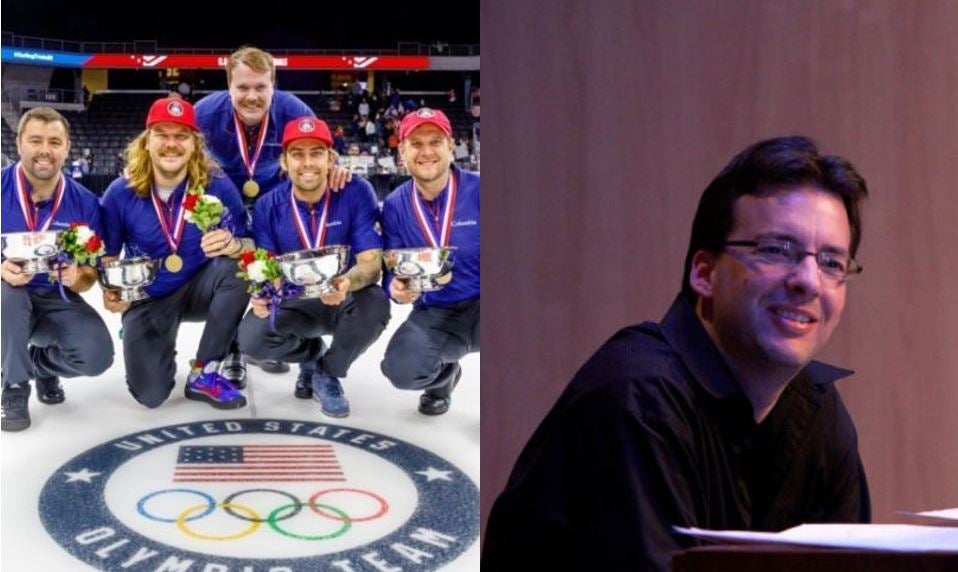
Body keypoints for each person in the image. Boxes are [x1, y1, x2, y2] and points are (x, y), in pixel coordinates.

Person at [483, 136, 872, 571]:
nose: (809, 281)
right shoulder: (638, 397)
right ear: (704, 273)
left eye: (832, 263)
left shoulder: (819, 411)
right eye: (777, 250)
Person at [194, 46, 350, 379]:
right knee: (233, 268)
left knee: (279, 267)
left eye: (260, 87)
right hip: (225, 201)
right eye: (243, 88)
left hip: (276, 199)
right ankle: (234, 350)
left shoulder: (295, 110)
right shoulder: (203, 114)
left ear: (273, 84)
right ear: (229, 86)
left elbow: (324, 150)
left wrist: (338, 167)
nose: (252, 96)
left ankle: (273, 334)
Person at [100, 97, 251, 410]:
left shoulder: (218, 185)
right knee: (150, 395)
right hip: (149, 295)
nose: (172, 144)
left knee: (238, 269)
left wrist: (234, 245)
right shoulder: (120, 192)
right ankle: (148, 340)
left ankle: (204, 372)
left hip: (201, 288)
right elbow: (108, 257)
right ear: (146, 141)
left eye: (181, 136)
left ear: (195, 144)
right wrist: (112, 290)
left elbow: (251, 246)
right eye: (162, 134)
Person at [237, 117, 390, 417]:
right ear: (284, 161)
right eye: (297, 154)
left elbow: (372, 264)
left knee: (376, 303)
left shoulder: (356, 192)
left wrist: (345, 282)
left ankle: (327, 372)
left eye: (316, 152)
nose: (308, 163)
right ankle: (311, 354)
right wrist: (264, 292)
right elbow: (266, 266)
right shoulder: (269, 205)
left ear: (331, 158)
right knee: (251, 339)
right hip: (295, 301)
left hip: (344, 297)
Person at [1, 107, 114, 431]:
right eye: (36, 140)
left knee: (96, 356)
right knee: (8, 293)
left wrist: (80, 277)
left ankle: (34, 367)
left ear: (67, 148)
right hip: (6, 299)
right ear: (19, 142)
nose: (44, 150)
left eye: (54, 141)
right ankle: (14, 387)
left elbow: (92, 274)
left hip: (54, 298)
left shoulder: (86, 202)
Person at [380, 108, 480, 415]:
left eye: (435, 141)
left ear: (451, 146)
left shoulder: (484, 190)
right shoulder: (395, 204)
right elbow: (392, 266)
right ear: (402, 152)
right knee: (400, 368)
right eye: (416, 143)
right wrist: (395, 289)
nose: (426, 152)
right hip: (436, 311)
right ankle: (444, 379)